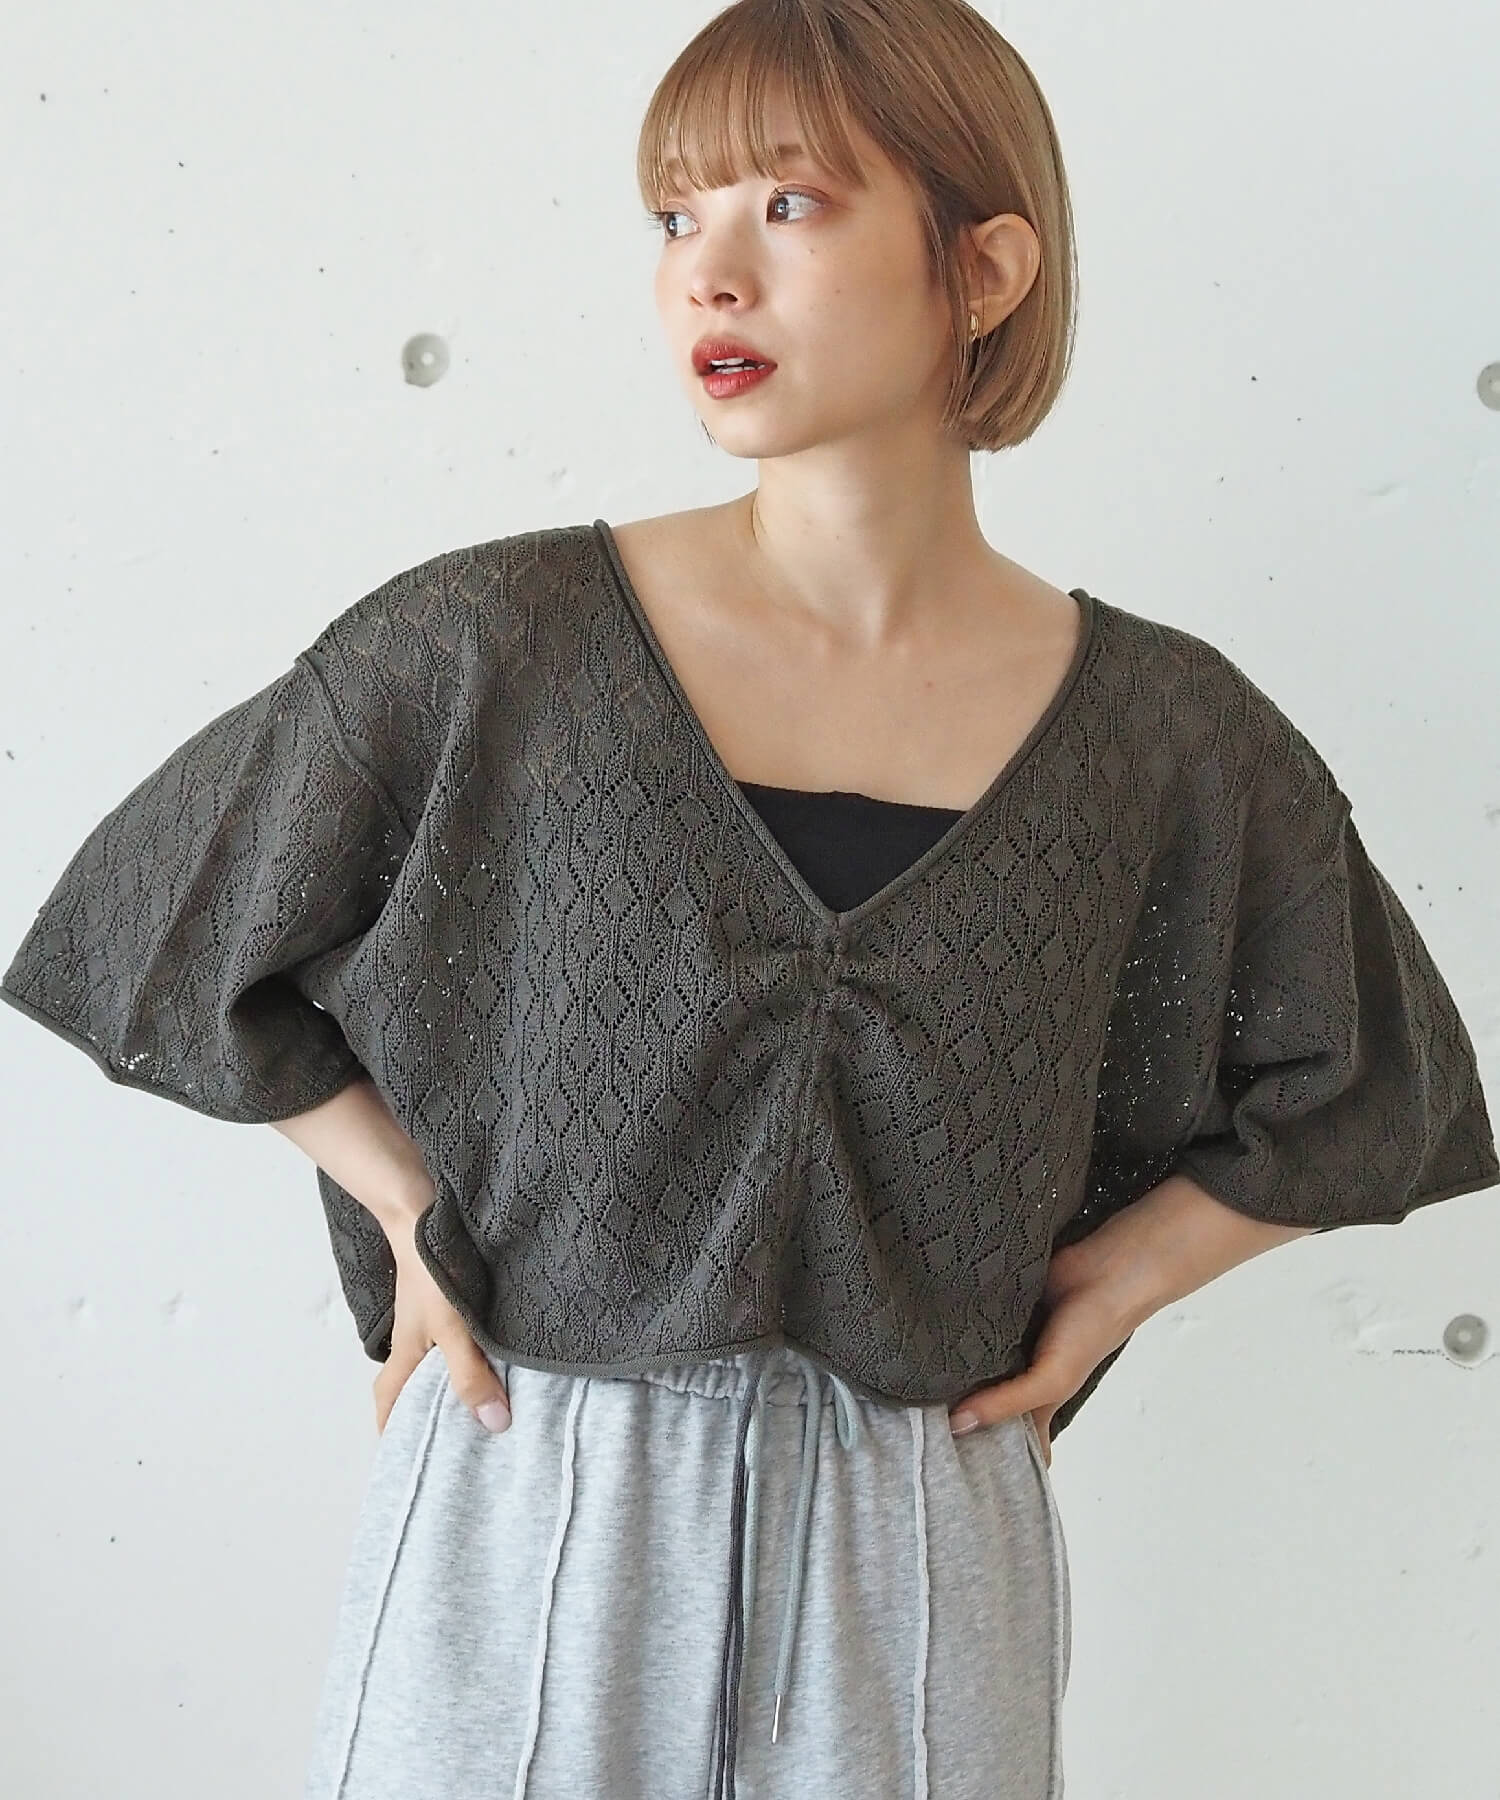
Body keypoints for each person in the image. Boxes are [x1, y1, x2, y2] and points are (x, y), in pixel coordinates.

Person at [3, 3, 1495, 1797]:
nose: (708, 273)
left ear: (984, 267)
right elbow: (156, 926)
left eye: (789, 205)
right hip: (533, 1491)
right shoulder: (498, 649)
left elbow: (1371, 1086)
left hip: (920, 1545)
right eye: (674, 216)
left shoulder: (1166, 738)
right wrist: (404, 1206)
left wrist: (1121, 1285)